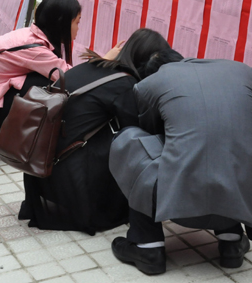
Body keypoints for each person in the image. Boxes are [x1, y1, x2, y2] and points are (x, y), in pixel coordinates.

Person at [109, 49, 252, 275]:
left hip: (180, 204)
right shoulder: (245, 72)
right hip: (241, 198)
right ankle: (231, 241)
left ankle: (147, 246)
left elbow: (153, 136)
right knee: (236, 148)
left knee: (130, 141)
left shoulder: (151, 83)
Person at [19, 28, 171, 235]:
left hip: (42, 168)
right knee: (137, 142)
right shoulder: (124, 84)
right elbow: (140, 129)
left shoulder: (92, 65)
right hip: (72, 173)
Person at [0, 0, 81, 137]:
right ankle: (13, 137)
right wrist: (100, 64)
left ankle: (8, 133)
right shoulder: (35, 49)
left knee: (40, 80)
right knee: (47, 83)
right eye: (77, 22)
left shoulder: (30, 34)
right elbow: (68, 77)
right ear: (61, 23)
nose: (78, 28)